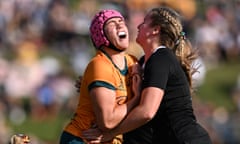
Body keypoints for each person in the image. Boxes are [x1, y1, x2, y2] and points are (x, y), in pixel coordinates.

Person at [82, 7, 212, 144]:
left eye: (144, 22)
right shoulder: (144, 62)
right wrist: (91, 80)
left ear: (155, 30)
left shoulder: (161, 58)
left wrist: (111, 133)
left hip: (184, 139)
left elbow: (147, 112)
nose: (138, 26)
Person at [59, 9, 150, 144]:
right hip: (83, 139)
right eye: (112, 23)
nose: (120, 25)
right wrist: (136, 98)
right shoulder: (100, 65)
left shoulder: (133, 62)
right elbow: (107, 122)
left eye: (121, 21)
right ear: (101, 35)